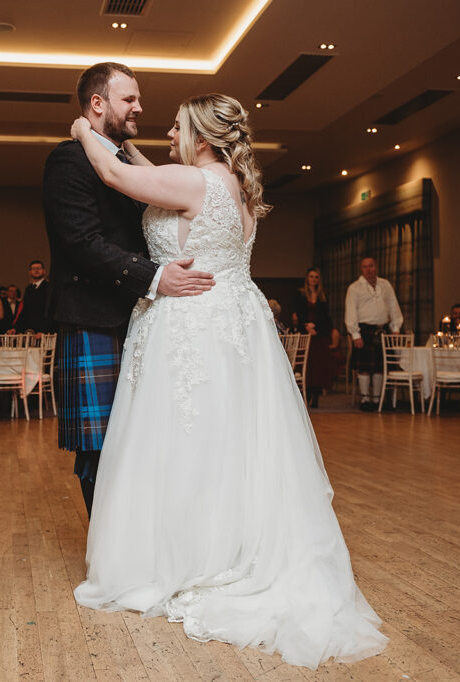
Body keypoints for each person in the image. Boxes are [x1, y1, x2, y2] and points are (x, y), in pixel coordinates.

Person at [67, 91, 387, 667]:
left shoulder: (194, 184)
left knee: (186, 444)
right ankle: (228, 546)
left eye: (176, 129)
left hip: (190, 327)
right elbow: (146, 168)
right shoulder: (228, 188)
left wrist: (83, 130)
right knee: (228, 445)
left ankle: (186, 559)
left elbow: (115, 172)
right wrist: (132, 146)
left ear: (204, 138)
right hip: (231, 328)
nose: (167, 136)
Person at [43, 62, 214, 515]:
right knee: (99, 448)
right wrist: (157, 276)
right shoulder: (68, 159)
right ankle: (108, 557)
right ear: (97, 104)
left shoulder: (120, 162)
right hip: (94, 318)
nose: (140, 107)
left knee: (143, 441)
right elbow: (82, 243)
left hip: (144, 319)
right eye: (129, 100)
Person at [344, 257, 403, 411]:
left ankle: (377, 399)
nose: (368, 269)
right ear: (361, 269)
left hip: (383, 329)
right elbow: (350, 312)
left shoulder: (385, 285)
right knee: (364, 368)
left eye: (371, 266)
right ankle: (365, 399)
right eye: (365, 267)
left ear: (376, 267)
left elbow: (393, 306)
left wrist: (395, 327)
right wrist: (355, 335)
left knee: (379, 367)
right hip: (364, 330)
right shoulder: (355, 288)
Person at [294, 267, 340, 407]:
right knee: (307, 365)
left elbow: (326, 316)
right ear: (307, 278)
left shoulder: (323, 296)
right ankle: (306, 393)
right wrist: (307, 326)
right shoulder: (300, 294)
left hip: (319, 335)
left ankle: (316, 395)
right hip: (305, 334)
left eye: (316, 277)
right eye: (311, 276)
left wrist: (316, 327)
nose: (314, 279)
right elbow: (298, 312)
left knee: (319, 365)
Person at [10, 260, 53, 333]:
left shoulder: (49, 287)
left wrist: (44, 330)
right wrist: (15, 328)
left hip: (44, 330)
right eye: (33, 268)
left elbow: (50, 310)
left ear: (44, 271)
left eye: (39, 268)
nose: (36, 270)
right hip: (30, 330)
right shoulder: (29, 289)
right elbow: (25, 311)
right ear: (30, 272)